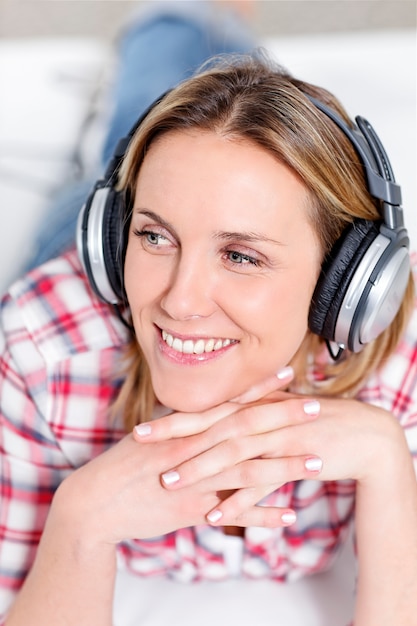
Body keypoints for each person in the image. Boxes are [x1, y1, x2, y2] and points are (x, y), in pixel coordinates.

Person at [1, 12, 417, 626]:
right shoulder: (42, 349)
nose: (180, 301)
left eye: (241, 255)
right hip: (70, 246)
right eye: (153, 237)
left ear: (341, 283)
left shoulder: (398, 369)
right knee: (152, 78)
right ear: (115, 238)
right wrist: (80, 519)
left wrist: (388, 462)